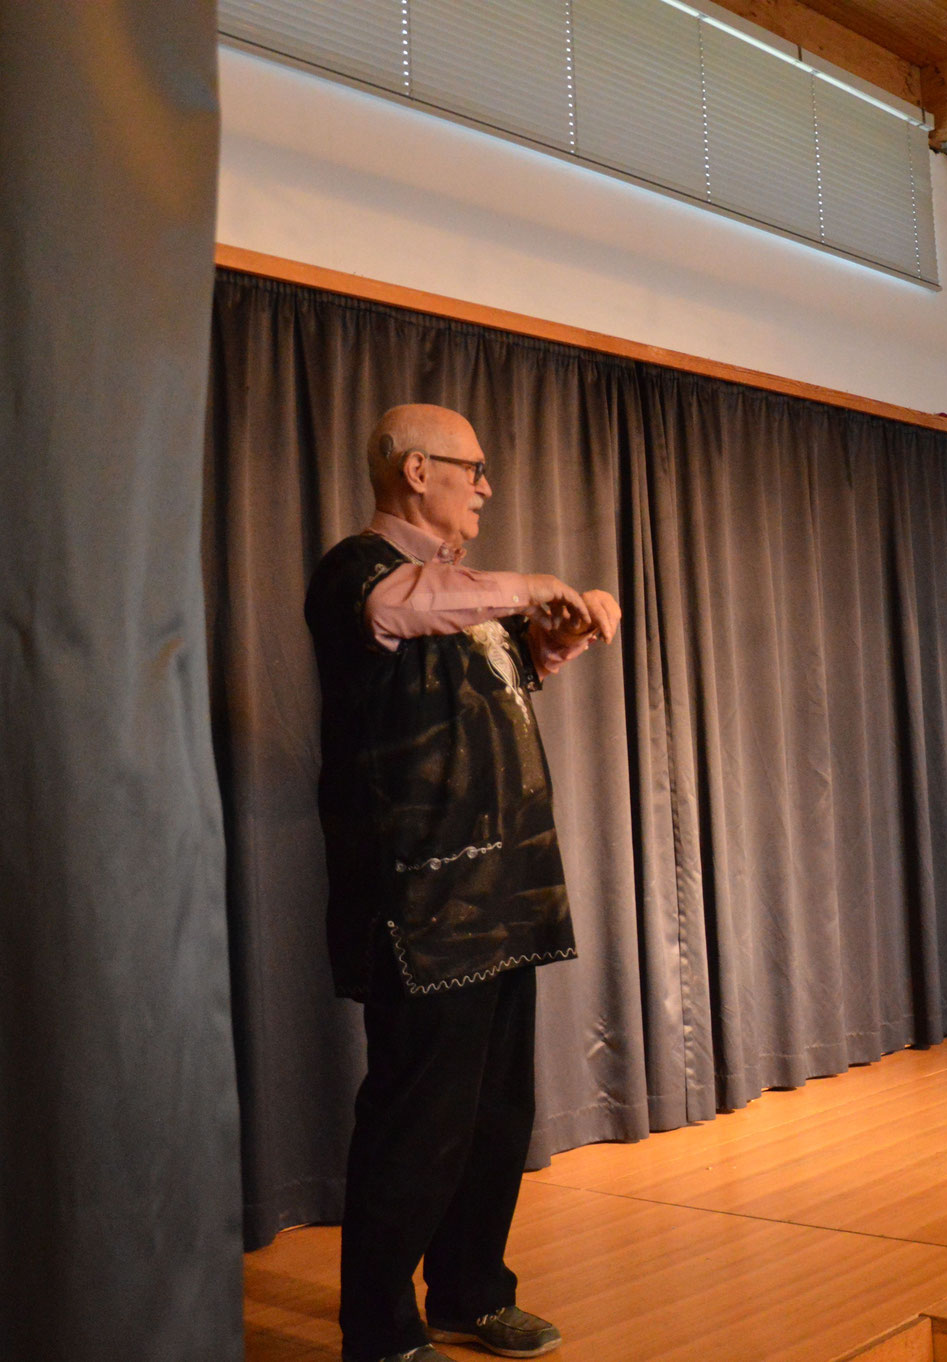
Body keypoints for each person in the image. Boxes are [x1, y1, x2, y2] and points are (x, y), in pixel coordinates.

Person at [305, 403, 620, 1362]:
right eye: (470, 468)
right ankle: (381, 1330)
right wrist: (528, 587)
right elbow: (399, 609)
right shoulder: (359, 570)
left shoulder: (463, 592)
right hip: (422, 905)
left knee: (495, 1116)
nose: (485, 485)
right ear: (414, 472)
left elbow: (486, 680)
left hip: (504, 899)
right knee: (418, 1120)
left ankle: (471, 1291)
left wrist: (551, 642)